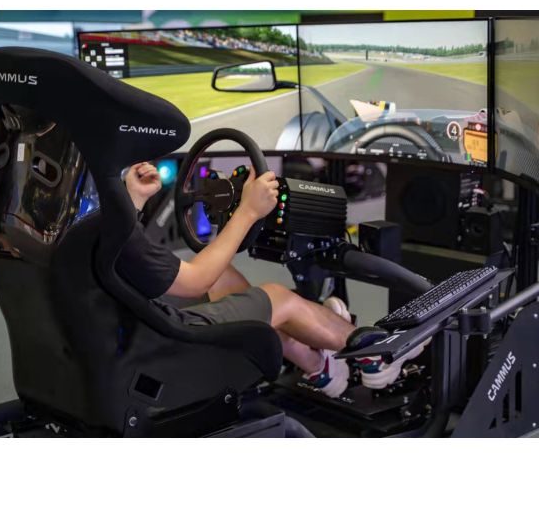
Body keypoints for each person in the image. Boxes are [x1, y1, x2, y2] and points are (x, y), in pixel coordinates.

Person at [118, 162, 426, 398]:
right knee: (277, 298)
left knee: (223, 278)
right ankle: (378, 354)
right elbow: (193, 281)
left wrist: (134, 199)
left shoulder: (101, 230)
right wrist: (248, 211)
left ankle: (318, 365)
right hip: (160, 342)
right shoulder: (124, 240)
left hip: (132, 326)